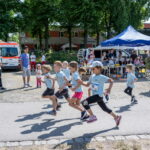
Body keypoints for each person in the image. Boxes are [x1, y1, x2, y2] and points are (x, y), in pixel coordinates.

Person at [81, 61, 122, 126]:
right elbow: (87, 85)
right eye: (92, 69)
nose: (92, 70)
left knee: (84, 102)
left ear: (99, 68)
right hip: (96, 96)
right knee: (105, 109)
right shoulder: (92, 76)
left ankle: (92, 116)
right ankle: (116, 117)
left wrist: (109, 89)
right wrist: (81, 82)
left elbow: (111, 80)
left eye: (93, 68)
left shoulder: (101, 76)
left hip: (98, 96)